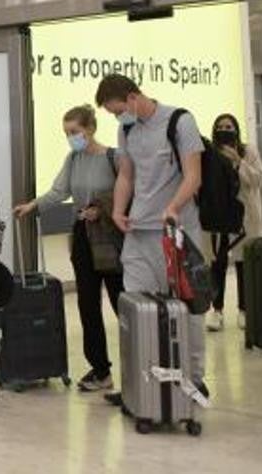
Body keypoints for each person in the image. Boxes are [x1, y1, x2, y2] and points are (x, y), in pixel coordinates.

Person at [95, 75, 209, 398]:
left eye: (119, 111)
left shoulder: (179, 122)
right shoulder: (127, 129)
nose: (118, 118)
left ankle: (194, 379)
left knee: (187, 307)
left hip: (177, 235)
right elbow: (127, 175)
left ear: (133, 97)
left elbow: (194, 176)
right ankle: (138, 382)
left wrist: (173, 206)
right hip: (139, 233)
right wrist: (118, 210)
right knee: (135, 307)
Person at [15, 105, 123, 392]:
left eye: (74, 132)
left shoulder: (114, 157)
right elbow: (59, 191)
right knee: (87, 305)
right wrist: (33, 206)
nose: (71, 137)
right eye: (66, 133)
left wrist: (102, 211)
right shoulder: (73, 158)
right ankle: (101, 371)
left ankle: (139, 365)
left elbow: (129, 194)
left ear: (90, 129)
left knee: (122, 303)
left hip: (110, 238)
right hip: (83, 236)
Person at [207, 113, 262, 332]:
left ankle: (244, 310)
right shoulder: (210, 153)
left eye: (229, 126)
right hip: (219, 217)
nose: (225, 130)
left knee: (244, 264)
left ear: (236, 129)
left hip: (245, 217)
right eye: (220, 126)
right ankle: (217, 310)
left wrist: (238, 161)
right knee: (218, 263)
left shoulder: (248, 151)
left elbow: (259, 180)